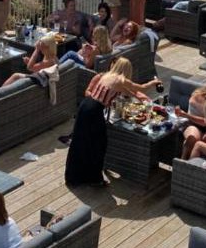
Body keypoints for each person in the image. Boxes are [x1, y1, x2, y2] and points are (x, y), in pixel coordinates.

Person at [65, 57, 161, 186]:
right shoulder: (121, 80)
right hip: (94, 111)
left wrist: (139, 98)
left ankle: (74, 176)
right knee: (98, 144)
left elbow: (129, 92)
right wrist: (154, 83)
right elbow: (141, 88)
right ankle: (94, 179)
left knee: (80, 140)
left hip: (85, 106)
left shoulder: (107, 76)